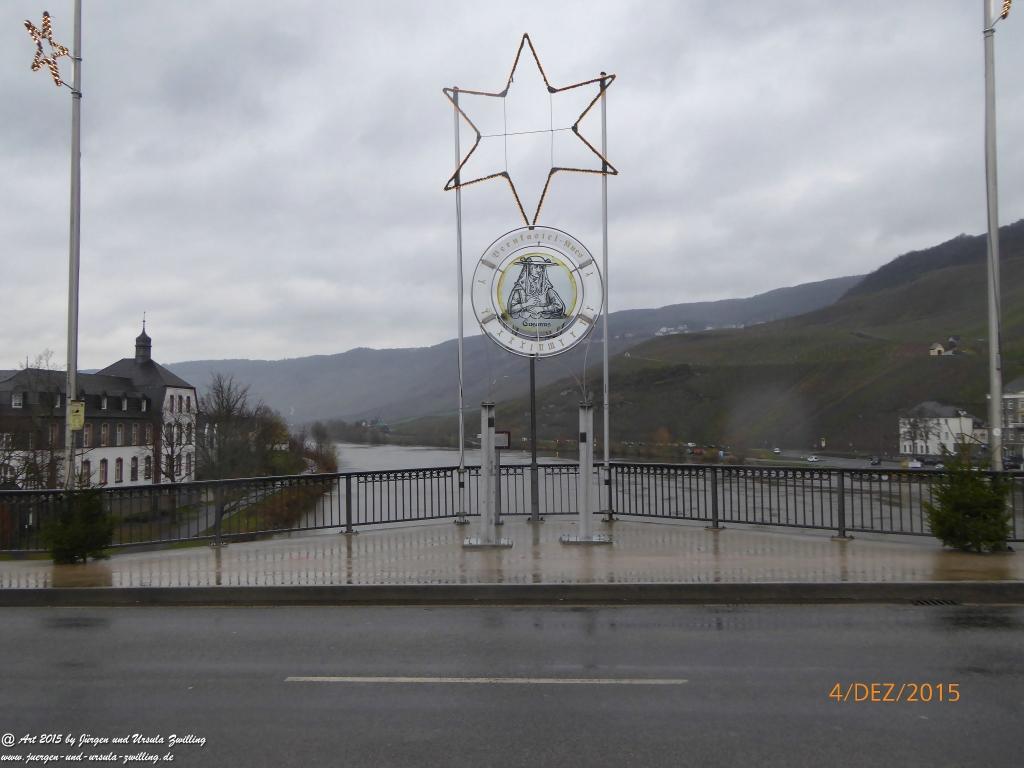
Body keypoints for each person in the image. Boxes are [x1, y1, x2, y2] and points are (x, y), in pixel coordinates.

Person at [506, 255, 566, 321]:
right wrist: (526, 304)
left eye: (541, 267)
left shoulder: (546, 286)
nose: (539, 270)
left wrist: (541, 309)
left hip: (545, 322)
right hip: (523, 322)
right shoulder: (520, 287)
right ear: (528, 268)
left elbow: (559, 306)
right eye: (536, 267)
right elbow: (511, 309)